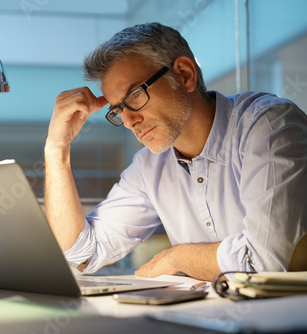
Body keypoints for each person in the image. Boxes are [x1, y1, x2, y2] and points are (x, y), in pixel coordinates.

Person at [44, 22, 307, 281]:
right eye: (117, 109)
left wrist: (177, 258)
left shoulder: (268, 126)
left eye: (135, 95)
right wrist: (57, 151)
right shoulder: (150, 166)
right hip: (205, 320)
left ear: (184, 75)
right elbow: (82, 255)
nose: (128, 121)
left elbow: (270, 262)